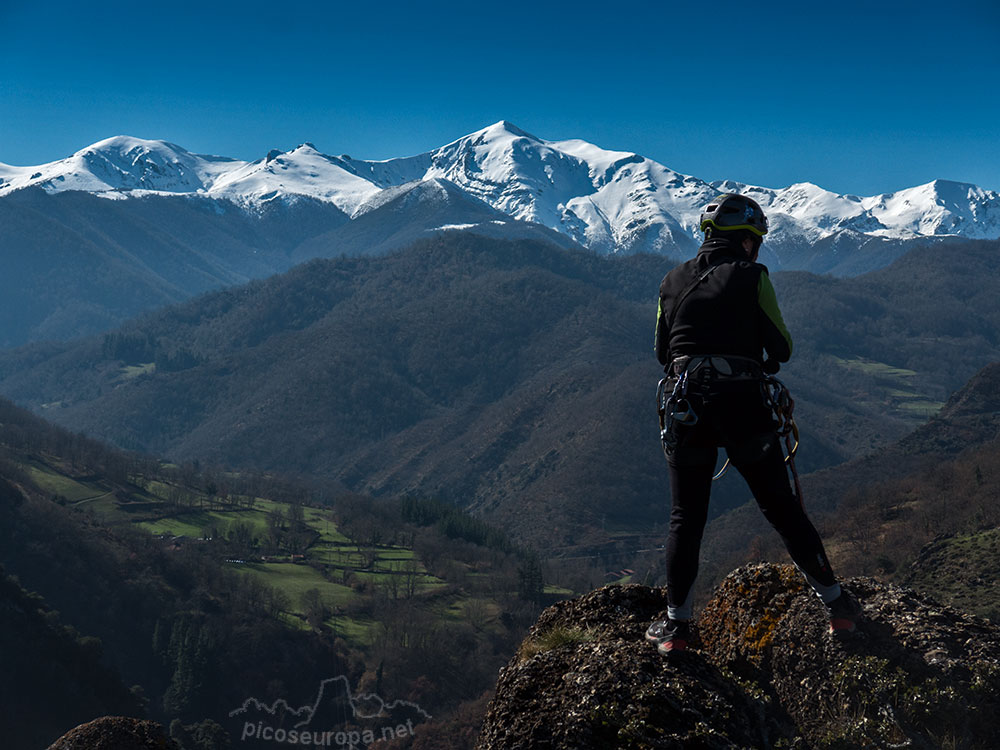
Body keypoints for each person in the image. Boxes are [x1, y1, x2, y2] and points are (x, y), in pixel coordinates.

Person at [645, 193, 860, 656]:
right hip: (742, 404)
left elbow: (663, 352)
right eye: (755, 240)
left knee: (686, 518)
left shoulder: (670, 280)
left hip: (686, 408)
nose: (756, 248)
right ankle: (837, 607)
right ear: (747, 241)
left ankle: (676, 628)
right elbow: (781, 346)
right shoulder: (753, 277)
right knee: (781, 507)